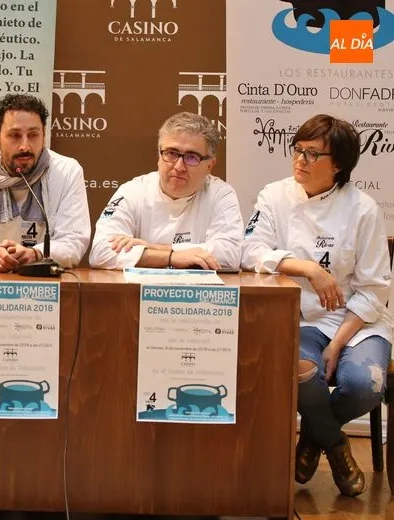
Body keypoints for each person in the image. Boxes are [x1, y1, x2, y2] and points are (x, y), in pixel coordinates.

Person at [242, 114, 392, 497]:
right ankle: (337, 447)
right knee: (299, 367)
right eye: (298, 150)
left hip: (357, 321)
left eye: (313, 154)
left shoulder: (363, 208)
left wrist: (337, 344)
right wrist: (309, 269)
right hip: (300, 315)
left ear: (338, 164)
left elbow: (375, 288)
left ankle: (313, 437)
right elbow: (251, 251)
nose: (300, 160)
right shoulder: (274, 196)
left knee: (365, 385)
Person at [0, 94, 90, 271]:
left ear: (44, 134)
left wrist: (35, 254)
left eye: (33, 135)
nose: (25, 146)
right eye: (15, 135)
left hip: (45, 287)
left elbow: (73, 241)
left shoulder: (67, 172)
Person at [89, 112, 242, 270]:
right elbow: (101, 252)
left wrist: (152, 249)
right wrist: (173, 257)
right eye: (171, 153)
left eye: (191, 157)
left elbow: (229, 255)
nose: (179, 167)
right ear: (159, 156)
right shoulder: (133, 191)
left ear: (210, 165)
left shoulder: (221, 194)